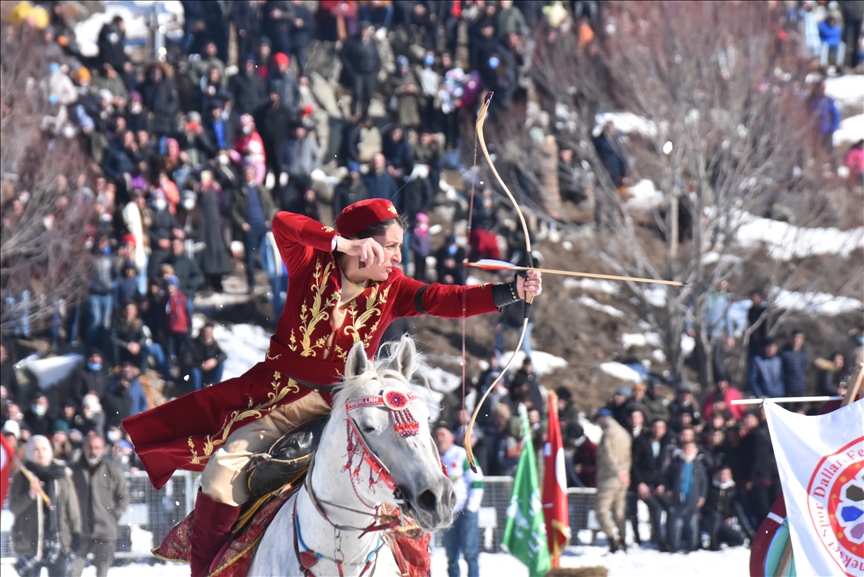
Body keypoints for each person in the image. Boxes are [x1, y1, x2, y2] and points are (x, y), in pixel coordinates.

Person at [123, 198, 542, 577]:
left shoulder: (392, 287)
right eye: (391, 246)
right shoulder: (311, 264)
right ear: (364, 245)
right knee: (219, 478)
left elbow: (443, 298)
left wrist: (509, 292)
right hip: (276, 402)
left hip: (348, 409)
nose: (398, 257)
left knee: (410, 484)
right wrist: (340, 244)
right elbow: (283, 222)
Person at [9, 435, 81, 577]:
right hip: (31, 542)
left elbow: (72, 508)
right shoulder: (22, 476)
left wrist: (76, 532)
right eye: (35, 449)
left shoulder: (62, 474)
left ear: (49, 450)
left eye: (43, 449)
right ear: (30, 452)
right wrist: (30, 495)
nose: (40, 453)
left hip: (59, 539)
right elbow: (14, 508)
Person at [70, 433, 130, 577]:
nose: (93, 451)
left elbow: (123, 497)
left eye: (97, 448)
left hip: (105, 530)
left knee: (102, 572)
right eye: (90, 447)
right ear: (84, 448)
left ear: (103, 449)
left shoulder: (112, 470)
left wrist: (113, 516)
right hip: (80, 530)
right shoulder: (73, 471)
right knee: (73, 571)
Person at [435, 423, 484, 577]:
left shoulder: (462, 454)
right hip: (447, 514)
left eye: (443, 434)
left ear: (452, 436)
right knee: (451, 555)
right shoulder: (434, 457)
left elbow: (476, 480)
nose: (439, 438)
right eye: (437, 435)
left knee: (470, 553)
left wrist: (471, 507)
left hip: (465, 511)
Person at [233, 165, 278, 293]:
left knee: (269, 255)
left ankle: (273, 283)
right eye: (245, 174)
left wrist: (269, 220)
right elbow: (233, 210)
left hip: (263, 227)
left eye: (250, 173)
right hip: (249, 228)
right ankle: (251, 284)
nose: (248, 176)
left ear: (253, 175)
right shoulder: (239, 191)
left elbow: (270, 205)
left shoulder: (261, 189)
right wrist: (242, 224)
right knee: (250, 258)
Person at [594, 407, 632, 553]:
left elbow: (607, 455)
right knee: (618, 510)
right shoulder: (623, 432)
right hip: (623, 476)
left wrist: (617, 471)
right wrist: (625, 472)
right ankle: (623, 539)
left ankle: (612, 540)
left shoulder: (608, 433)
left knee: (600, 511)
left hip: (609, 478)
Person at [631, 418, 670, 550]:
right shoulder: (641, 442)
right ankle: (660, 541)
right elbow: (634, 465)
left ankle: (669, 537)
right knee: (657, 509)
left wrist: (661, 484)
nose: (658, 430)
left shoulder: (665, 444)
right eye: (655, 426)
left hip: (655, 483)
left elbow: (662, 469)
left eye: (661, 427)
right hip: (641, 483)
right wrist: (640, 483)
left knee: (670, 506)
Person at [664, 440, 708, 553]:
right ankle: (674, 545)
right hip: (678, 498)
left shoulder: (698, 465)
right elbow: (667, 478)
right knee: (676, 523)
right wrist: (669, 490)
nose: (688, 451)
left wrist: (702, 496)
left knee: (692, 524)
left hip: (693, 499)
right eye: (686, 448)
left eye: (691, 449)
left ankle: (692, 546)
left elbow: (704, 482)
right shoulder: (676, 463)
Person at [701, 466, 746, 551]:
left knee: (739, 540)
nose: (723, 476)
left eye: (725, 474)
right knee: (716, 516)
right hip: (709, 518)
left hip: (723, 521)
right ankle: (713, 542)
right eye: (721, 474)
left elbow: (734, 506)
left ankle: (722, 541)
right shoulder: (710, 486)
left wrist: (731, 516)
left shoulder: (732, 489)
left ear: (730, 475)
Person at [182, 324, 227, 391]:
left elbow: (224, 355)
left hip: (208, 374)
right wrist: (201, 365)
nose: (206, 334)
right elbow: (186, 361)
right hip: (194, 374)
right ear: (201, 332)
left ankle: (214, 389)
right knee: (194, 372)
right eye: (205, 332)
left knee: (221, 364)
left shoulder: (213, 345)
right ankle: (197, 394)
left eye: (209, 332)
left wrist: (214, 361)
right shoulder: (192, 343)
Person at [779, 330, 807, 399]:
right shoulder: (784, 353)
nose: (796, 340)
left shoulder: (803, 354)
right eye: (795, 338)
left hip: (800, 389)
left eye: (799, 338)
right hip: (787, 389)